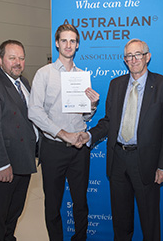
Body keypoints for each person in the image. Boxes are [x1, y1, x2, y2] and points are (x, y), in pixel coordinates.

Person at [78, 38, 163, 240]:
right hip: (118, 161)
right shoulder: (116, 84)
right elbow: (108, 122)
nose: (133, 60)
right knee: (121, 221)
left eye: (137, 54)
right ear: (124, 60)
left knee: (150, 221)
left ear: (147, 57)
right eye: (128, 56)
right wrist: (88, 135)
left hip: (147, 162)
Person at [28, 24, 99, 240]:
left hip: (79, 149)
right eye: (64, 40)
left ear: (77, 45)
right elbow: (34, 112)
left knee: (81, 203)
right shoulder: (44, 74)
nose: (69, 45)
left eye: (73, 41)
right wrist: (62, 133)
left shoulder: (82, 76)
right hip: (53, 149)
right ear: (57, 43)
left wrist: (93, 106)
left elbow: (84, 117)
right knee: (53, 204)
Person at [0, 40, 39, 240]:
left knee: (13, 213)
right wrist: (2, 164)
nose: (18, 63)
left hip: (23, 161)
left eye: (21, 58)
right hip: (5, 165)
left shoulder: (24, 83)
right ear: (0, 59)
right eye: (12, 58)